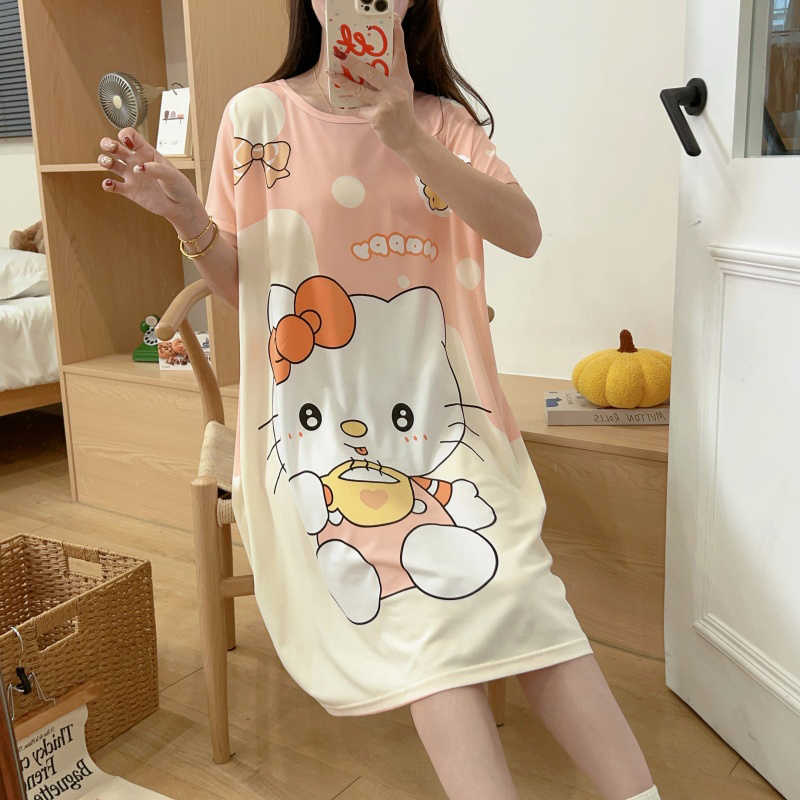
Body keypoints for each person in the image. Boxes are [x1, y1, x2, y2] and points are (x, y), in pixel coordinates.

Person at [96, 2, 662, 798]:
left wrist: (410, 139)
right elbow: (246, 288)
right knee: (423, 607)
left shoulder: (442, 122)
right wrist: (188, 216)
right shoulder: (256, 118)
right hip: (315, 433)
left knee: (522, 588)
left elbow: (524, 232)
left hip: (443, 425)